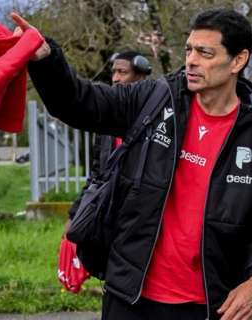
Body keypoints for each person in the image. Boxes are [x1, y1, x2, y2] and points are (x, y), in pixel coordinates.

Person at [13, 8, 252, 320]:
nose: (191, 60)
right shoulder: (155, 99)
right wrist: (45, 58)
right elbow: (81, 103)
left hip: (212, 305)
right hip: (130, 299)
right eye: (189, 49)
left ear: (238, 61)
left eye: (205, 52)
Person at [58, 51, 153, 293]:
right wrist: (74, 215)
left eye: (123, 72)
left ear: (141, 76)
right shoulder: (107, 127)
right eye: (113, 72)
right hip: (110, 218)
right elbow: (97, 175)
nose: (116, 78)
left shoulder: (157, 122)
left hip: (142, 222)